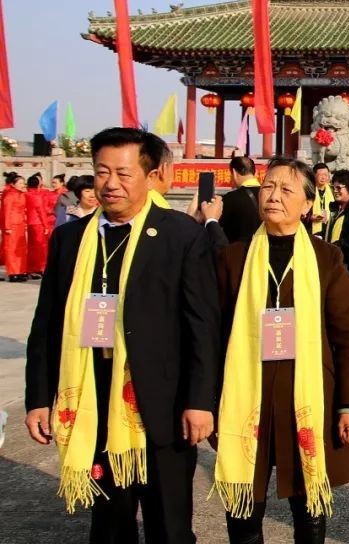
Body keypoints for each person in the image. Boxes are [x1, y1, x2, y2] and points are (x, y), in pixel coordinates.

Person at [25, 127, 220, 542]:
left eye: (124, 173)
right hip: (92, 397)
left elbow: (202, 327)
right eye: (102, 172)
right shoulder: (70, 239)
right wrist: (39, 398)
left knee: (169, 526)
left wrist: (201, 401)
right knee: (109, 526)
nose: (110, 183)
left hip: (162, 407)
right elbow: (47, 324)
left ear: (151, 177)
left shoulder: (180, 235)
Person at [213, 157, 349, 543]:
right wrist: (208, 403)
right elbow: (213, 337)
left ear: (308, 204)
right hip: (249, 398)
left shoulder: (326, 258)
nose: (273, 195)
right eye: (268, 186)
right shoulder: (234, 257)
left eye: (286, 189)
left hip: (310, 397)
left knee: (309, 505)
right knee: (245, 504)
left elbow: (347, 337)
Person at [219, 156, 262, 244]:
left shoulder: (230, 198)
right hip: (265, 252)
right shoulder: (269, 195)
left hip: (240, 254)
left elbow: (216, 226)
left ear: (234, 173)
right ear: (255, 173)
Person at [2, 173, 28, 282]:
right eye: (20, 183)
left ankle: (20, 271)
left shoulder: (21, 195)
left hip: (20, 224)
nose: (23, 185)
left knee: (20, 249)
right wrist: (7, 227)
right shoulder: (9, 196)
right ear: (13, 184)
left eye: (23, 183)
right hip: (12, 225)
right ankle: (12, 273)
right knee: (11, 249)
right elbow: (6, 212)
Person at [26, 173, 48, 277]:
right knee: (40, 247)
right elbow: (41, 212)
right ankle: (40, 267)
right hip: (38, 223)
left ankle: (30, 267)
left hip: (29, 222)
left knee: (31, 247)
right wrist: (46, 226)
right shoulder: (37, 196)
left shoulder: (25, 194)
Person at [309, 163, 333, 239]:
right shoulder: (309, 191)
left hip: (328, 228)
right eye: (320, 175)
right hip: (312, 229)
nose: (323, 177)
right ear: (314, 175)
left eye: (325, 175)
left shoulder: (332, 190)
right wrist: (310, 218)